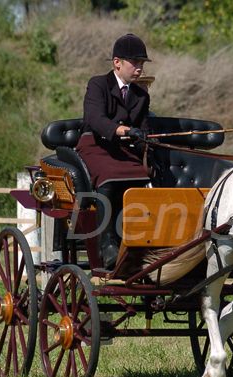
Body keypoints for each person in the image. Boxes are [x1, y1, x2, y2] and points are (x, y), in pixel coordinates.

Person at [80, 33, 152, 269]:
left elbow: (142, 129)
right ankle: (107, 244)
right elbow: (95, 119)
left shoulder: (141, 95)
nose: (140, 68)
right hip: (95, 145)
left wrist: (147, 142)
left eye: (142, 63)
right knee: (110, 177)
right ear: (117, 62)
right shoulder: (98, 84)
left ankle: (138, 242)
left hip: (123, 151)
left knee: (143, 178)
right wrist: (123, 130)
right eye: (135, 63)